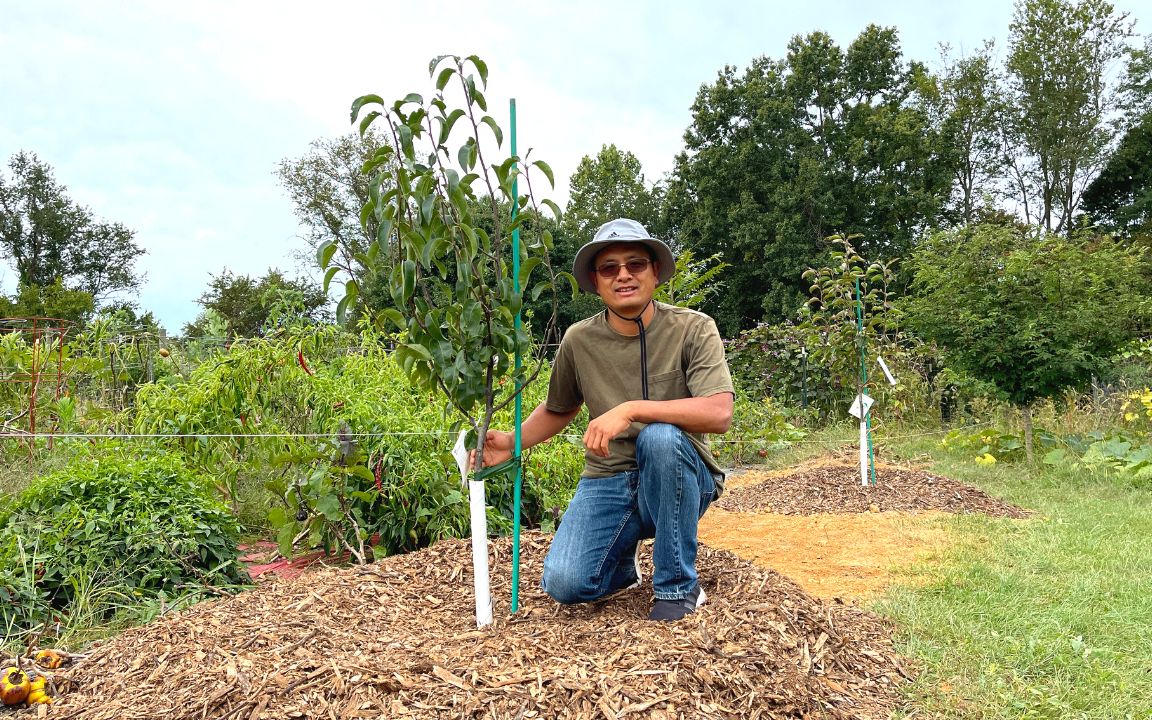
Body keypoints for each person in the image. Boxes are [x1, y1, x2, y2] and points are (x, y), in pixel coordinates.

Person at [475, 218, 734, 622]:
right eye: (609, 268)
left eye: (636, 264)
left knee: (660, 438)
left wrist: (631, 409)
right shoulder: (579, 340)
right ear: (595, 281)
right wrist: (509, 442)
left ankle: (677, 588)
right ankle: (623, 568)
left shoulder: (693, 328)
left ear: (655, 273)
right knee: (565, 584)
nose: (624, 275)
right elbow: (559, 408)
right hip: (608, 477)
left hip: (681, 474)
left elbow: (718, 412)